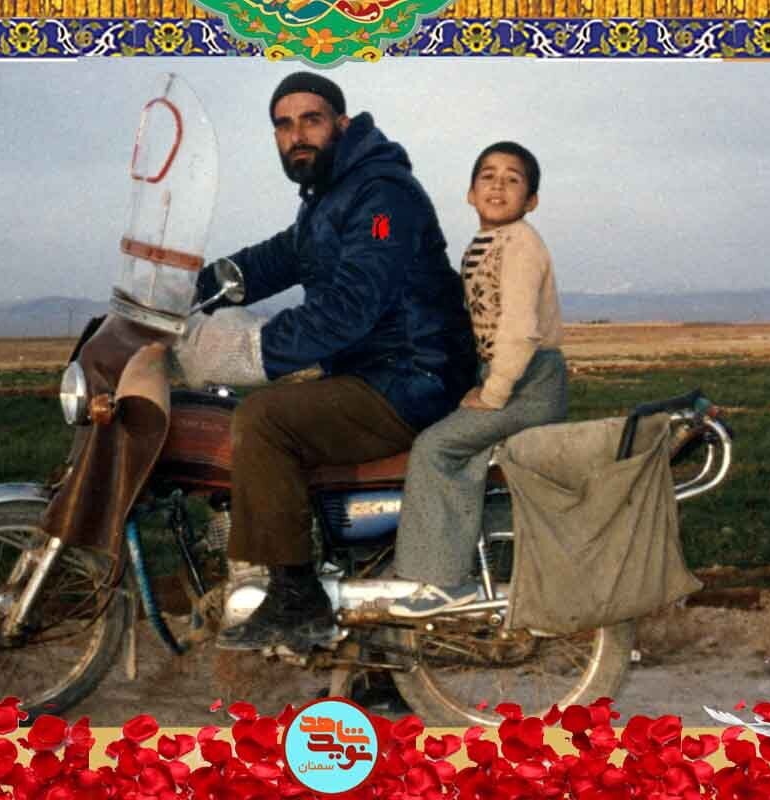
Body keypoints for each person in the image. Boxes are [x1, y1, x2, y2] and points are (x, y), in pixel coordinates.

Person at [174, 73, 478, 650]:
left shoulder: (383, 198)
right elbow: (269, 262)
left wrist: (251, 349)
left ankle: (296, 598)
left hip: (413, 376)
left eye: (310, 120)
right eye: (283, 125)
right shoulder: (330, 199)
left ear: (342, 123)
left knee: (265, 419)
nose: (297, 135)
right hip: (376, 373)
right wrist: (180, 293)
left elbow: (351, 307)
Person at [388, 141, 567, 617]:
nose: (498, 185)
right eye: (487, 176)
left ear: (532, 200)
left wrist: (494, 392)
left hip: (529, 384)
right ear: (470, 193)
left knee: (435, 447)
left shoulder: (521, 244)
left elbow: (519, 329)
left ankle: (444, 581)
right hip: (508, 377)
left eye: (513, 179)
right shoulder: (488, 242)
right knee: (448, 436)